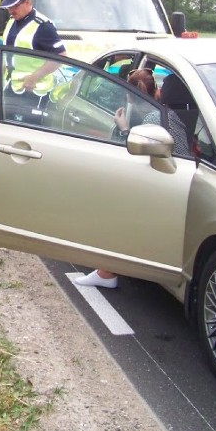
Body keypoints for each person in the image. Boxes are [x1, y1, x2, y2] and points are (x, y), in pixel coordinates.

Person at [76, 69, 189, 289]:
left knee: (114, 206)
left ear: (128, 95)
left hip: (165, 180)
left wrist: (124, 128)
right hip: (176, 176)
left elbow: (138, 153)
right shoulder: (165, 113)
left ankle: (106, 272)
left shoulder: (152, 118)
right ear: (156, 90)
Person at [0, 0, 66, 125]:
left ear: (27, 2)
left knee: (28, 131)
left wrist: (34, 77)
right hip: (11, 86)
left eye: (15, 6)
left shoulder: (43, 26)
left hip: (34, 90)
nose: (11, 11)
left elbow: (61, 56)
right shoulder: (11, 22)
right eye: (9, 7)